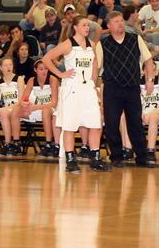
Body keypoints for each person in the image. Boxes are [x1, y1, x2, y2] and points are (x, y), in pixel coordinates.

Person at [43, 15, 112, 172]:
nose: (87, 28)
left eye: (88, 25)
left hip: (88, 89)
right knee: (70, 126)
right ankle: (70, 159)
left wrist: (94, 78)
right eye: (84, 25)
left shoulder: (91, 44)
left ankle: (95, 158)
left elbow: (95, 61)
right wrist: (60, 74)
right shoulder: (67, 44)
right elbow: (46, 58)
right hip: (72, 88)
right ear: (75, 27)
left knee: (95, 124)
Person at [96, 10, 156, 167]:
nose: (120, 24)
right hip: (112, 88)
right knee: (112, 124)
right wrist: (94, 86)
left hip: (132, 87)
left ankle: (142, 157)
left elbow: (148, 60)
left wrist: (150, 79)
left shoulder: (135, 39)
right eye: (116, 21)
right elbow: (96, 68)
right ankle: (116, 157)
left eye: (121, 20)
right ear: (109, 25)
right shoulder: (102, 44)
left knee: (135, 123)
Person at [15, 59, 59, 158]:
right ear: (35, 70)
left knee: (45, 111)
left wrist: (36, 107)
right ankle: (15, 143)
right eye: (41, 69)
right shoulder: (31, 81)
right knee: (15, 111)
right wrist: (25, 104)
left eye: (46, 69)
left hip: (52, 109)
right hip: (37, 109)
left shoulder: (53, 80)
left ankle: (48, 143)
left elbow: (54, 103)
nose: (44, 71)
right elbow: (23, 100)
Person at [139, 73, 159, 166]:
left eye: (154, 69)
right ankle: (127, 150)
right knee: (126, 116)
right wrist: (140, 113)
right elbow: (134, 102)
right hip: (142, 113)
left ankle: (150, 151)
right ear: (144, 70)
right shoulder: (137, 80)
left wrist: (152, 113)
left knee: (153, 118)